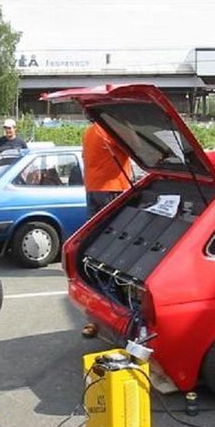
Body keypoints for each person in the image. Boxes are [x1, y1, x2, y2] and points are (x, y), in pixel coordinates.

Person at [80, 122, 133, 338]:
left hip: (94, 190)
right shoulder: (111, 130)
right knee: (114, 254)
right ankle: (117, 314)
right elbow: (137, 149)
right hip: (111, 189)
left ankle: (98, 316)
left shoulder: (90, 131)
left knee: (97, 252)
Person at [82, 122, 133, 217]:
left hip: (92, 186)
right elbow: (134, 148)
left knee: (96, 223)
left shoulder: (90, 131)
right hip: (111, 187)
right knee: (114, 221)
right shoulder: (110, 130)